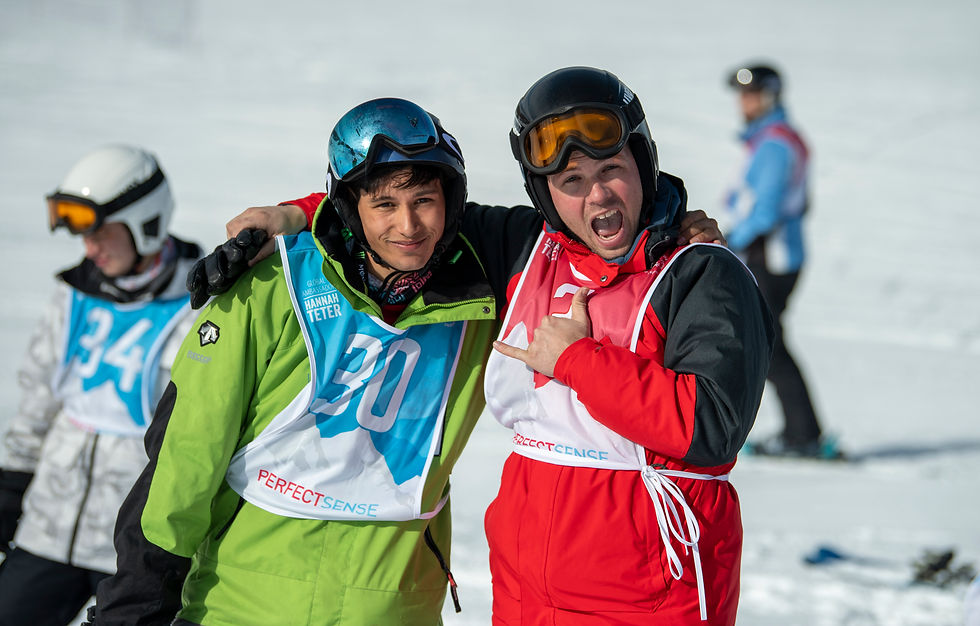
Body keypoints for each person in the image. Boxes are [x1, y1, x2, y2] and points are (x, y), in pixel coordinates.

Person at [199, 67, 770, 624]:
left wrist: (577, 360)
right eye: (570, 181)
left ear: (644, 164)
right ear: (543, 193)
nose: (597, 195)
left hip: (647, 593)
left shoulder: (701, 273)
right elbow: (401, 204)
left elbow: (711, 427)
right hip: (526, 589)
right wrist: (294, 214)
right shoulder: (524, 248)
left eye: (613, 169)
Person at [89, 98, 502, 626]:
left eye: (425, 200)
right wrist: (135, 603)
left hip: (392, 606)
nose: (409, 225)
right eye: (383, 206)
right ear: (351, 208)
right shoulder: (272, 283)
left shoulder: (485, 295)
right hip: (239, 602)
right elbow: (187, 454)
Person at [0, 145, 202, 625]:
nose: (90, 249)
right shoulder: (73, 295)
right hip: (48, 529)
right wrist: (10, 487)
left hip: (136, 550)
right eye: (83, 236)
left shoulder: (201, 304)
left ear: (146, 224)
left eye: (102, 233)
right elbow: (38, 399)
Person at [724, 63, 839, 460]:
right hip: (772, 256)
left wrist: (729, 240)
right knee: (771, 345)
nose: (745, 102)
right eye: (743, 94)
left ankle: (803, 435)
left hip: (769, 257)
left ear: (771, 96)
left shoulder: (774, 144)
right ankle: (800, 432)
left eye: (754, 94)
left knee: (768, 347)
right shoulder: (772, 140)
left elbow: (767, 209)